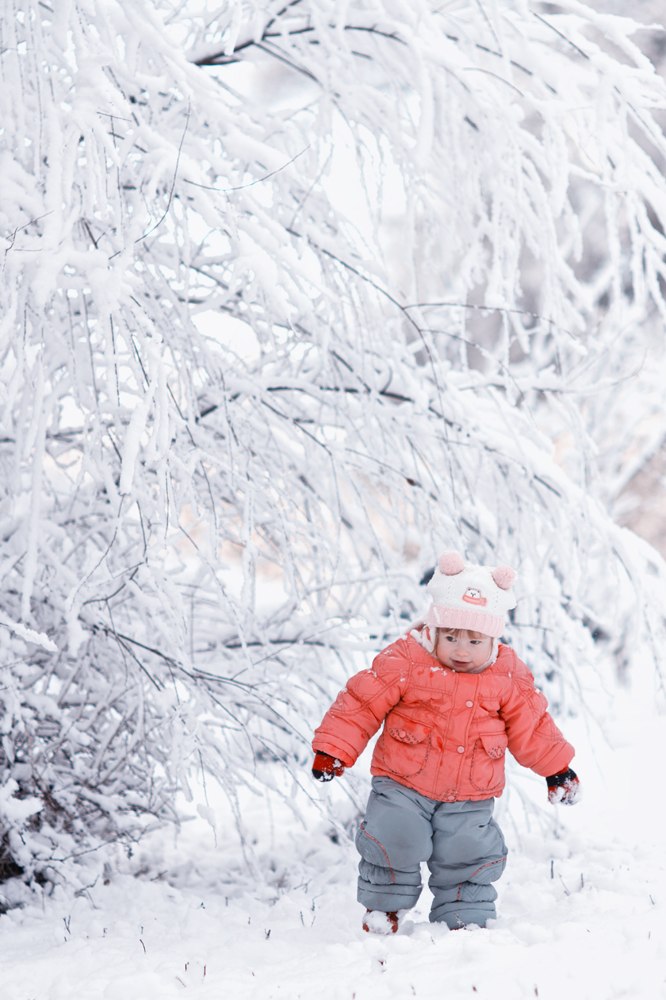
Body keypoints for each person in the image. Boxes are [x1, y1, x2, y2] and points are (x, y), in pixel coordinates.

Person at [311, 551, 580, 934]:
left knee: (468, 851)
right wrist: (334, 748)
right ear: (434, 631)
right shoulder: (407, 660)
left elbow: (532, 725)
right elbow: (362, 701)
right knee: (394, 835)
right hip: (403, 781)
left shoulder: (507, 675)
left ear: (492, 638)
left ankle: (464, 919)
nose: (460, 650)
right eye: (450, 637)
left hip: (471, 791)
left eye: (473, 640)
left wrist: (557, 768)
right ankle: (382, 910)